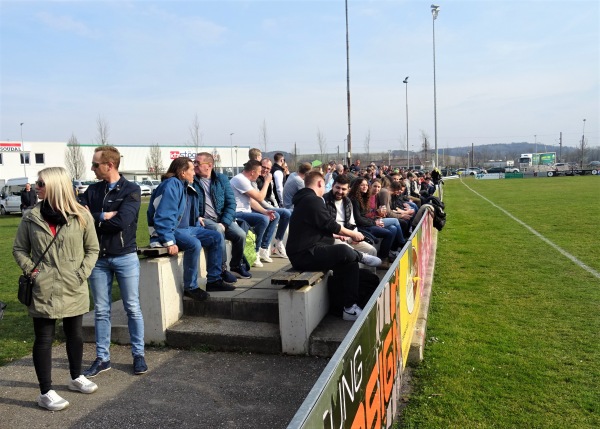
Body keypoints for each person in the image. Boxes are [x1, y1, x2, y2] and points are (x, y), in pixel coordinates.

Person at [13, 167, 100, 411]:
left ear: (55, 185)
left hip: (74, 284)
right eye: (36, 182)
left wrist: (81, 274)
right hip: (44, 287)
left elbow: (93, 249)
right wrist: (33, 271)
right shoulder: (31, 217)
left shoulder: (81, 215)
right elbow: (19, 249)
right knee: (44, 338)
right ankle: (45, 391)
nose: (36, 186)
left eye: (41, 182)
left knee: (75, 334)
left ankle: (75, 377)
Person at [79, 145, 147, 379]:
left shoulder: (131, 190)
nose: (92, 168)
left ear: (110, 165)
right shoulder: (92, 190)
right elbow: (78, 213)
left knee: (132, 308)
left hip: (124, 256)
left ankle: (138, 355)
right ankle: (102, 358)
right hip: (98, 258)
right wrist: (100, 216)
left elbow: (122, 222)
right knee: (101, 311)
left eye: (95, 164)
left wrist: (92, 218)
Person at [286, 171, 381, 321]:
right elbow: (329, 223)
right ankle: (361, 256)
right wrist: (352, 234)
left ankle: (349, 308)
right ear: (320, 183)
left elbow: (319, 228)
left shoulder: (306, 199)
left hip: (308, 250)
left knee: (350, 263)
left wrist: (337, 235)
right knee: (344, 250)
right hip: (304, 254)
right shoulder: (312, 200)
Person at [148, 157, 235, 301]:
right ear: (182, 172)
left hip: (187, 228)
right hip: (170, 230)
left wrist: (197, 219)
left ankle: (214, 280)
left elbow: (185, 211)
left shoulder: (184, 185)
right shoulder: (172, 184)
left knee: (216, 237)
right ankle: (191, 287)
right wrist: (168, 241)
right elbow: (163, 215)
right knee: (193, 244)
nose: (194, 173)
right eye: (191, 170)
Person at [193, 152, 251, 279]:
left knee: (240, 234)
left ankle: (236, 265)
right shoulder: (192, 180)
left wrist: (224, 222)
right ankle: (222, 269)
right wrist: (196, 216)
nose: (194, 165)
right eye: (194, 162)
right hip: (204, 220)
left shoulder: (221, 179)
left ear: (209, 165)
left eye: (198, 163)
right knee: (218, 230)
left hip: (221, 219)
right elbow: (188, 202)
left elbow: (231, 203)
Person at [230, 160, 278, 267]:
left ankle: (262, 248)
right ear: (252, 172)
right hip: (237, 213)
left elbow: (251, 201)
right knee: (263, 219)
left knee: (272, 216)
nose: (260, 174)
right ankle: (255, 251)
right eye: (259, 172)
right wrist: (267, 182)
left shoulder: (245, 180)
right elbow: (260, 197)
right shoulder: (240, 179)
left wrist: (265, 211)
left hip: (245, 211)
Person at [348, 177, 402, 268]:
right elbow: (359, 219)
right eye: (362, 185)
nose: (365, 187)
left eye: (366, 185)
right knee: (390, 230)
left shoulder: (364, 197)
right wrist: (374, 222)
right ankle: (386, 256)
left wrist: (377, 215)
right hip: (363, 227)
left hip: (369, 223)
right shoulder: (354, 199)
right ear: (357, 186)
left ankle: (387, 255)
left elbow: (366, 215)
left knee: (393, 229)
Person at [322, 174, 378, 257]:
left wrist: (354, 235)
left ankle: (367, 270)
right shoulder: (323, 200)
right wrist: (341, 235)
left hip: (348, 235)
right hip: (332, 237)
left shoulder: (348, 202)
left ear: (348, 190)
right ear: (333, 186)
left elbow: (352, 222)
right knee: (351, 253)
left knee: (372, 251)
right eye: (337, 187)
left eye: (343, 189)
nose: (340, 191)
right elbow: (324, 226)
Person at [256, 157, 290, 258]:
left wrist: (276, 205)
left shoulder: (268, 178)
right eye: (263, 167)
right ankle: (264, 247)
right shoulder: (256, 179)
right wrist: (272, 208)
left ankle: (278, 241)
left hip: (268, 204)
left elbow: (271, 196)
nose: (265, 170)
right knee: (279, 214)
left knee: (288, 212)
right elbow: (259, 199)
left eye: (268, 168)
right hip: (259, 206)